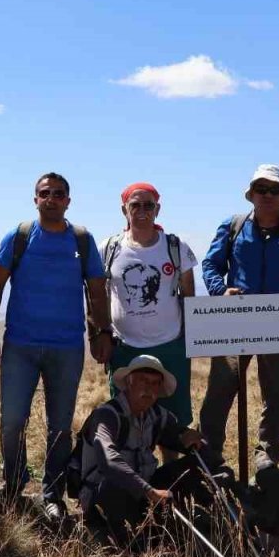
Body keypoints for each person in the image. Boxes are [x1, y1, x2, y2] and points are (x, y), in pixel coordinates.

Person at [0, 172, 112, 522]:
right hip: (20, 345)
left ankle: (51, 494)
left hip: (66, 347)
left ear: (68, 200)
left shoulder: (81, 241)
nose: (51, 198)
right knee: (11, 422)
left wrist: (102, 333)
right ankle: (13, 484)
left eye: (58, 194)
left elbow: (97, 289)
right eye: (44, 193)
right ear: (35, 199)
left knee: (60, 426)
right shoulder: (20, 236)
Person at [200, 164, 279, 473]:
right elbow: (210, 264)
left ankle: (267, 454)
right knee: (219, 391)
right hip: (234, 319)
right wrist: (219, 290)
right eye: (261, 190)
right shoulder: (233, 226)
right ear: (251, 195)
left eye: (274, 190)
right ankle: (210, 453)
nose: (267, 195)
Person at [100, 183, 197, 445]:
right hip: (125, 348)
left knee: (174, 421)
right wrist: (100, 334)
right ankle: (128, 476)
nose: (142, 211)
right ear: (124, 210)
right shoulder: (109, 249)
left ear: (158, 209)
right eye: (135, 205)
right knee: (125, 417)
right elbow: (97, 295)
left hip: (170, 346)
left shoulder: (176, 247)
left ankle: (173, 476)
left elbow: (189, 294)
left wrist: (190, 340)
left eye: (148, 205)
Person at [78, 355, 206, 548]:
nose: (149, 389)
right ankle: (129, 541)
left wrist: (190, 438)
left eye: (155, 384)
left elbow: (179, 436)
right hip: (105, 497)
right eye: (143, 381)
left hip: (145, 493)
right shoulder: (107, 415)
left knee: (195, 468)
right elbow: (109, 461)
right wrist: (149, 491)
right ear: (128, 382)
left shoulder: (157, 416)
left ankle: (209, 523)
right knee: (113, 486)